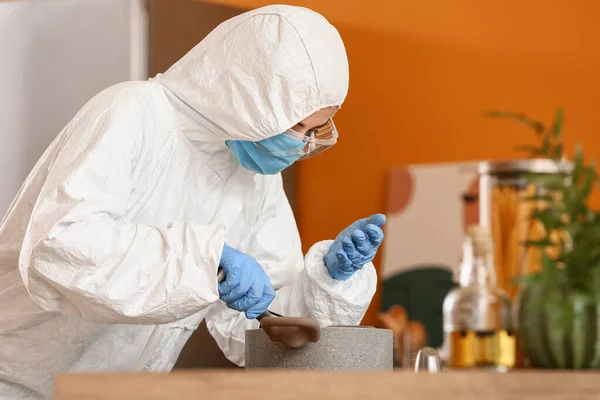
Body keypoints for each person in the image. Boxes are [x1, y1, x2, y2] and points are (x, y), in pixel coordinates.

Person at [0, 4, 386, 399]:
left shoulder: (255, 180)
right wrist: (207, 260)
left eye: (313, 129)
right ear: (246, 94)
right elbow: (58, 249)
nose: (299, 143)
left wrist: (325, 284)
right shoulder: (135, 113)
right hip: (16, 382)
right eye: (293, 125)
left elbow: (255, 332)